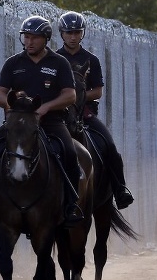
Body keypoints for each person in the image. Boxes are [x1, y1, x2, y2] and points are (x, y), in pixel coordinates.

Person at [0, 15, 84, 228]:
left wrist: (46, 107)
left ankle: (72, 204)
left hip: (51, 122)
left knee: (70, 154)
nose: (29, 42)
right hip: (18, 124)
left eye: (34, 38)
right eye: (26, 37)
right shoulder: (13, 63)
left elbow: (70, 96)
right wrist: (13, 107)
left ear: (45, 39)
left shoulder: (58, 62)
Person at [55, 11, 134, 209]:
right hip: (58, 115)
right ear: (61, 34)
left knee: (109, 146)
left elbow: (98, 91)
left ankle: (120, 188)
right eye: (69, 32)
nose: (73, 36)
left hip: (86, 115)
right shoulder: (54, 59)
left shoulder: (92, 59)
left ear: (83, 34)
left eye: (77, 32)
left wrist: (78, 98)